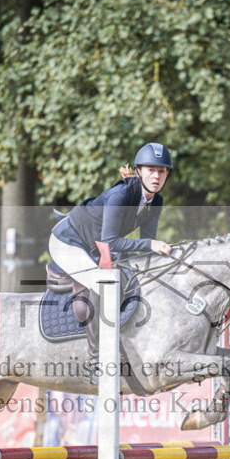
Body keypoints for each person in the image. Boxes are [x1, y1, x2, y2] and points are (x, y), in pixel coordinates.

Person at [49, 142, 174, 377]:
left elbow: (147, 245)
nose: (156, 176)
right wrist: (151, 245)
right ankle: (96, 363)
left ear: (167, 174)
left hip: (96, 247)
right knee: (102, 282)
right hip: (68, 241)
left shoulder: (155, 201)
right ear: (139, 171)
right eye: (150, 170)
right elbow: (112, 242)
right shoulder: (120, 196)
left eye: (162, 171)